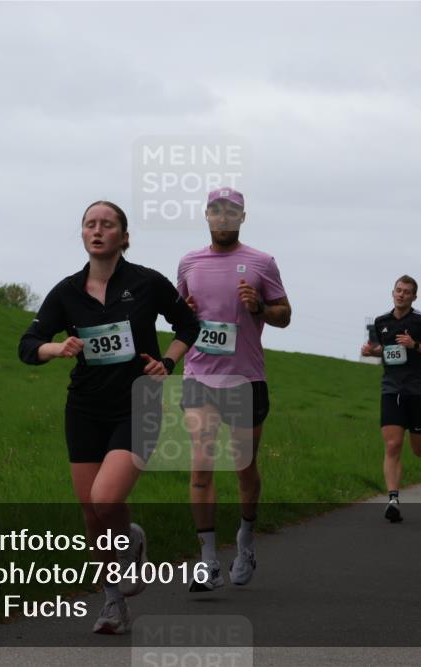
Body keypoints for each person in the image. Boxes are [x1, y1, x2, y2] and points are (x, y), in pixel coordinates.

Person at [18, 200, 200, 633]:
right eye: (90, 224)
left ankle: (132, 542)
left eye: (108, 224)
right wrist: (56, 348)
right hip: (84, 408)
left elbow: (188, 326)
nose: (98, 230)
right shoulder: (67, 291)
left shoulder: (147, 282)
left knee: (105, 498)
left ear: (124, 235)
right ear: (83, 235)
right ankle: (114, 603)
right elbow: (28, 344)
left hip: (138, 404)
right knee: (91, 514)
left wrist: (168, 363)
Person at [177, 187, 291, 591]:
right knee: (202, 459)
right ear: (206, 215)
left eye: (231, 212)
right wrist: (185, 314)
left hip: (245, 379)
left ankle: (245, 539)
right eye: (215, 211)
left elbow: (285, 315)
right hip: (199, 376)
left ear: (243, 217)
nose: (223, 217)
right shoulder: (189, 262)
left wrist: (260, 307)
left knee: (244, 466)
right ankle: (207, 560)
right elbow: (180, 316)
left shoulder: (261, 262)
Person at [361, 276, 421, 522]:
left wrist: (414, 344)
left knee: (419, 449)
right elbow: (383, 350)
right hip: (391, 389)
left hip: (418, 390)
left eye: (407, 292)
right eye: (398, 290)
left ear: (414, 296)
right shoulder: (381, 321)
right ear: (392, 292)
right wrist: (372, 351)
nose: (401, 295)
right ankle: (393, 498)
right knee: (393, 445)